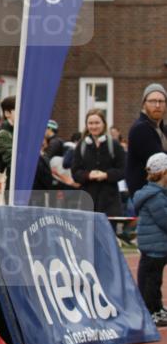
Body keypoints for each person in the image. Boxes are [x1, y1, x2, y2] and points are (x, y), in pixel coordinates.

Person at [70, 108, 126, 219]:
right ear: (86, 125)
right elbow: (75, 172)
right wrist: (88, 175)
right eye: (90, 123)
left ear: (104, 124)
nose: (94, 126)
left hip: (110, 203)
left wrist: (106, 175)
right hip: (87, 203)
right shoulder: (81, 146)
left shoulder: (114, 145)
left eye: (97, 123)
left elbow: (123, 170)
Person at [133, 153, 167, 328]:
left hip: (157, 246)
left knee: (155, 281)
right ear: (163, 173)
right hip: (154, 247)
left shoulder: (158, 194)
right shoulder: (155, 197)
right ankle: (150, 311)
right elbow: (164, 221)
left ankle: (157, 308)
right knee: (150, 283)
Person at [126, 83, 167, 197]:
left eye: (161, 101)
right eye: (152, 101)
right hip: (147, 196)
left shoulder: (162, 130)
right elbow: (161, 162)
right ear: (144, 104)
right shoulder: (141, 129)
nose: (157, 105)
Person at [0, 95, 15, 178]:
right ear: (7, 113)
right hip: (6, 181)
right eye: (18, 110)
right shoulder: (3, 134)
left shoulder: (16, 131)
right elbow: (13, 161)